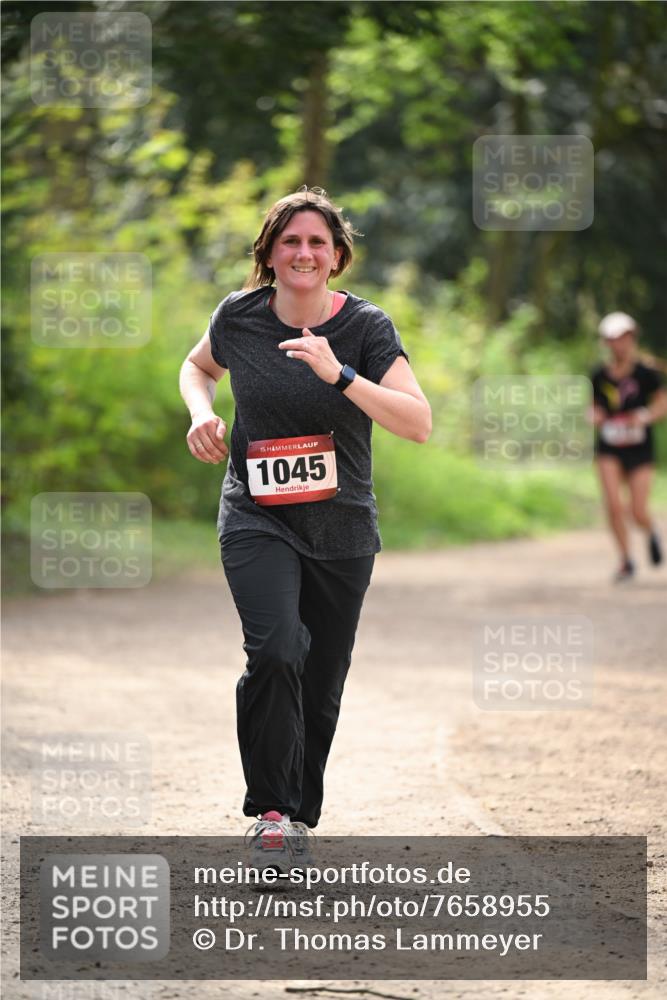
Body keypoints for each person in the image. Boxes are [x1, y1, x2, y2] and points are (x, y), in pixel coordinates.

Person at [179, 187, 431, 867]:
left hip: (341, 530)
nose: (303, 252)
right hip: (256, 517)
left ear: (337, 257)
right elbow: (197, 366)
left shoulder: (366, 330)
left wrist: (340, 372)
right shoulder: (239, 316)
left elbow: (416, 422)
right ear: (268, 253)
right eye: (290, 240)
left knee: (318, 679)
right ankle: (271, 814)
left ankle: (297, 809)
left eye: (317, 241)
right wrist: (200, 411)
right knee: (276, 650)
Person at [590, 311, 667, 583]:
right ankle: (625, 560)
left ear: (632, 339)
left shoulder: (647, 373)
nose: (617, 344)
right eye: (611, 339)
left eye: (622, 338)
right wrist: (595, 416)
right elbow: (595, 407)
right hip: (609, 445)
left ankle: (651, 531)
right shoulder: (598, 375)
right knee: (612, 504)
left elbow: (662, 404)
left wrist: (644, 416)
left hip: (639, 447)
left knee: (637, 510)